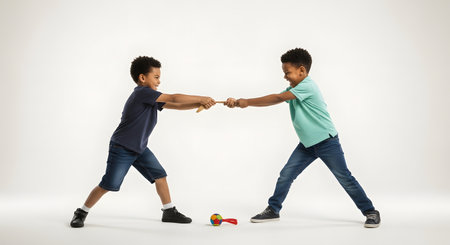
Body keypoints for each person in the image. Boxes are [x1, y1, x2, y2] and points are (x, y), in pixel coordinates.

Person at [224, 48, 380, 228]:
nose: (285, 77)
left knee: (344, 177)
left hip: (327, 142)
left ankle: (370, 211)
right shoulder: (295, 88)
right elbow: (275, 98)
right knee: (286, 175)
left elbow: (278, 98)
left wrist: (246, 102)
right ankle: (273, 209)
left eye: (287, 73)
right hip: (307, 145)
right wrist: (237, 103)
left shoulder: (307, 86)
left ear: (302, 70)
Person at [70, 56, 216, 228]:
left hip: (139, 148)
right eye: (156, 77)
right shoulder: (142, 93)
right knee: (108, 184)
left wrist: (199, 104)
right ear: (142, 78)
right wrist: (201, 98)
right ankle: (81, 212)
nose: (159, 81)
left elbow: (175, 106)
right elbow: (174, 98)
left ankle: (169, 211)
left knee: (160, 175)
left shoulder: (151, 98)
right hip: (122, 147)